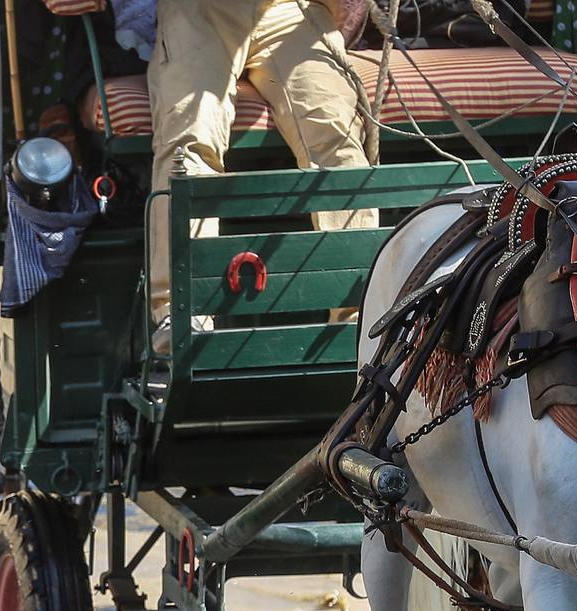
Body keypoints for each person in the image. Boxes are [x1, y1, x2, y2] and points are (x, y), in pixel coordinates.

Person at [45, 0, 374, 354]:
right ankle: (184, 308)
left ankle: (361, 311)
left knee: (337, 139)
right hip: (198, 9)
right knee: (190, 138)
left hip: (290, 10)